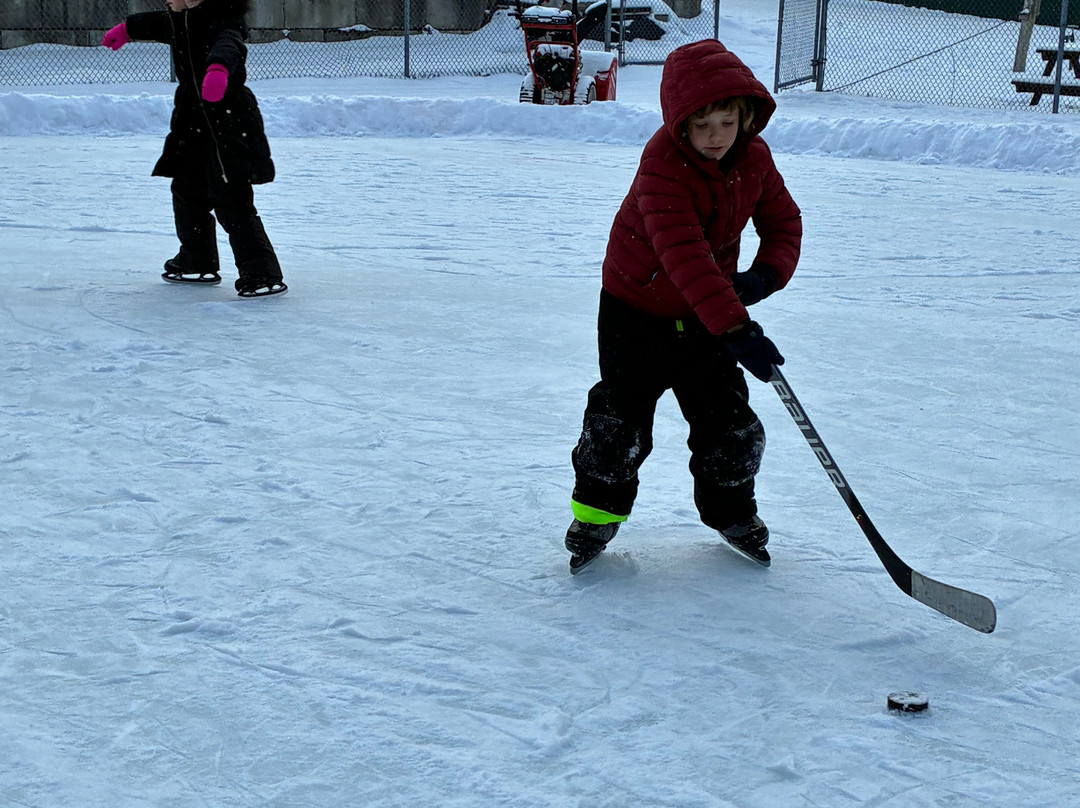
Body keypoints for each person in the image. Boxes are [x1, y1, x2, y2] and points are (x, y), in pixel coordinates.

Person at [565, 39, 802, 571]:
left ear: (745, 117)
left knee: (729, 425)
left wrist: (762, 278)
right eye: (702, 124)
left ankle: (732, 513)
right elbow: (685, 257)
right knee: (618, 424)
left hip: (706, 313)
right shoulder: (662, 167)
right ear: (680, 124)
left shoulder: (754, 160)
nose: (715, 136)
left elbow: (784, 224)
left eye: (726, 120)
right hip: (636, 313)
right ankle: (595, 517)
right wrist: (737, 326)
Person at [102, 0, 287, 297]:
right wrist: (126, 29)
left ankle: (261, 272)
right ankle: (197, 259)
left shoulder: (223, 20)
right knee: (187, 191)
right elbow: (155, 23)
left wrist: (218, 69)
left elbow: (230, 44)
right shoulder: (180, 19)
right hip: (193, 121)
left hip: (227, 121)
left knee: (231, 199)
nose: (167, 1)